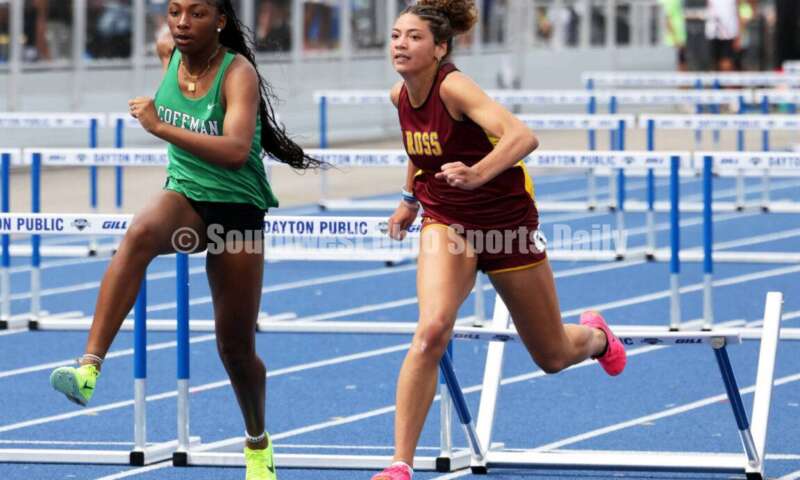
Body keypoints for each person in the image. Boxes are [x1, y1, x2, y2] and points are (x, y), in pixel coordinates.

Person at [49, 1, 319, 478]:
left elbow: (237, 151)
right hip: (186, 194)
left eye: (196, 14)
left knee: (234, 349)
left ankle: (257, 441)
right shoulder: (166, 50)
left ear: (220, 20)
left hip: (236, 210)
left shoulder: (238, 75)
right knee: (140, 234)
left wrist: (159, 126)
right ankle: (88, 366)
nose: (182, 23)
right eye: (175, 11)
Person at [372, 1, 627, 479]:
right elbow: (420, 148)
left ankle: (596, 337)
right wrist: (409, 198)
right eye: (396, 36)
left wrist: (479, 173)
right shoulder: (399, 95)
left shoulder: (455, 87)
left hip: (507, 227)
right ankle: (399, 464)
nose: (401, 45)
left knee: (551, 356)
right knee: (431, 331)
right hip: (448, 223)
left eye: (414, 37)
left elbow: (522, 136)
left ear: (439, 48)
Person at [705, 0, 743, 71]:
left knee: (726, 63)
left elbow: (738, 12)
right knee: (714, 63)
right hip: (713, 32)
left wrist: (738, 34)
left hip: (729, 33)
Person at [660, 0, 687, 71]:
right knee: (679, 66)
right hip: (673, 40)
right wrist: (675, 39)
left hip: (681, 38)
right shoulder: (669, 2)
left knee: (683, 63)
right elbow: (666, 20)